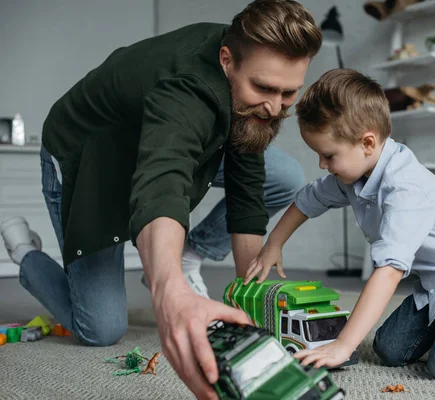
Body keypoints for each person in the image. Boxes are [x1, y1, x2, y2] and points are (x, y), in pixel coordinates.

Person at [0, 1, 322, 398]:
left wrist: (250, 299)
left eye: (289, 92)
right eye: (264, 88)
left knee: (284, 175)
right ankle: (24, 253)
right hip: (88, 158)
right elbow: (163, 181)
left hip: (150, 143)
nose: (275, 106)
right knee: (100, 330)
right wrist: (169, 291)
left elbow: (247, 184)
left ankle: (185, 255)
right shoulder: (187, 88)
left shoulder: (247, 56)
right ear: (226, 62)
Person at [243, 69, 435, 381]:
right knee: (389, 349)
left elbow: (389, 272)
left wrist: (343, 345)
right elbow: (307, 200)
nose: (322, 165)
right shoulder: (352, 174)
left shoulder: (406, 190)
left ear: (367, 142)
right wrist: (273, 244)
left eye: (328, 155)